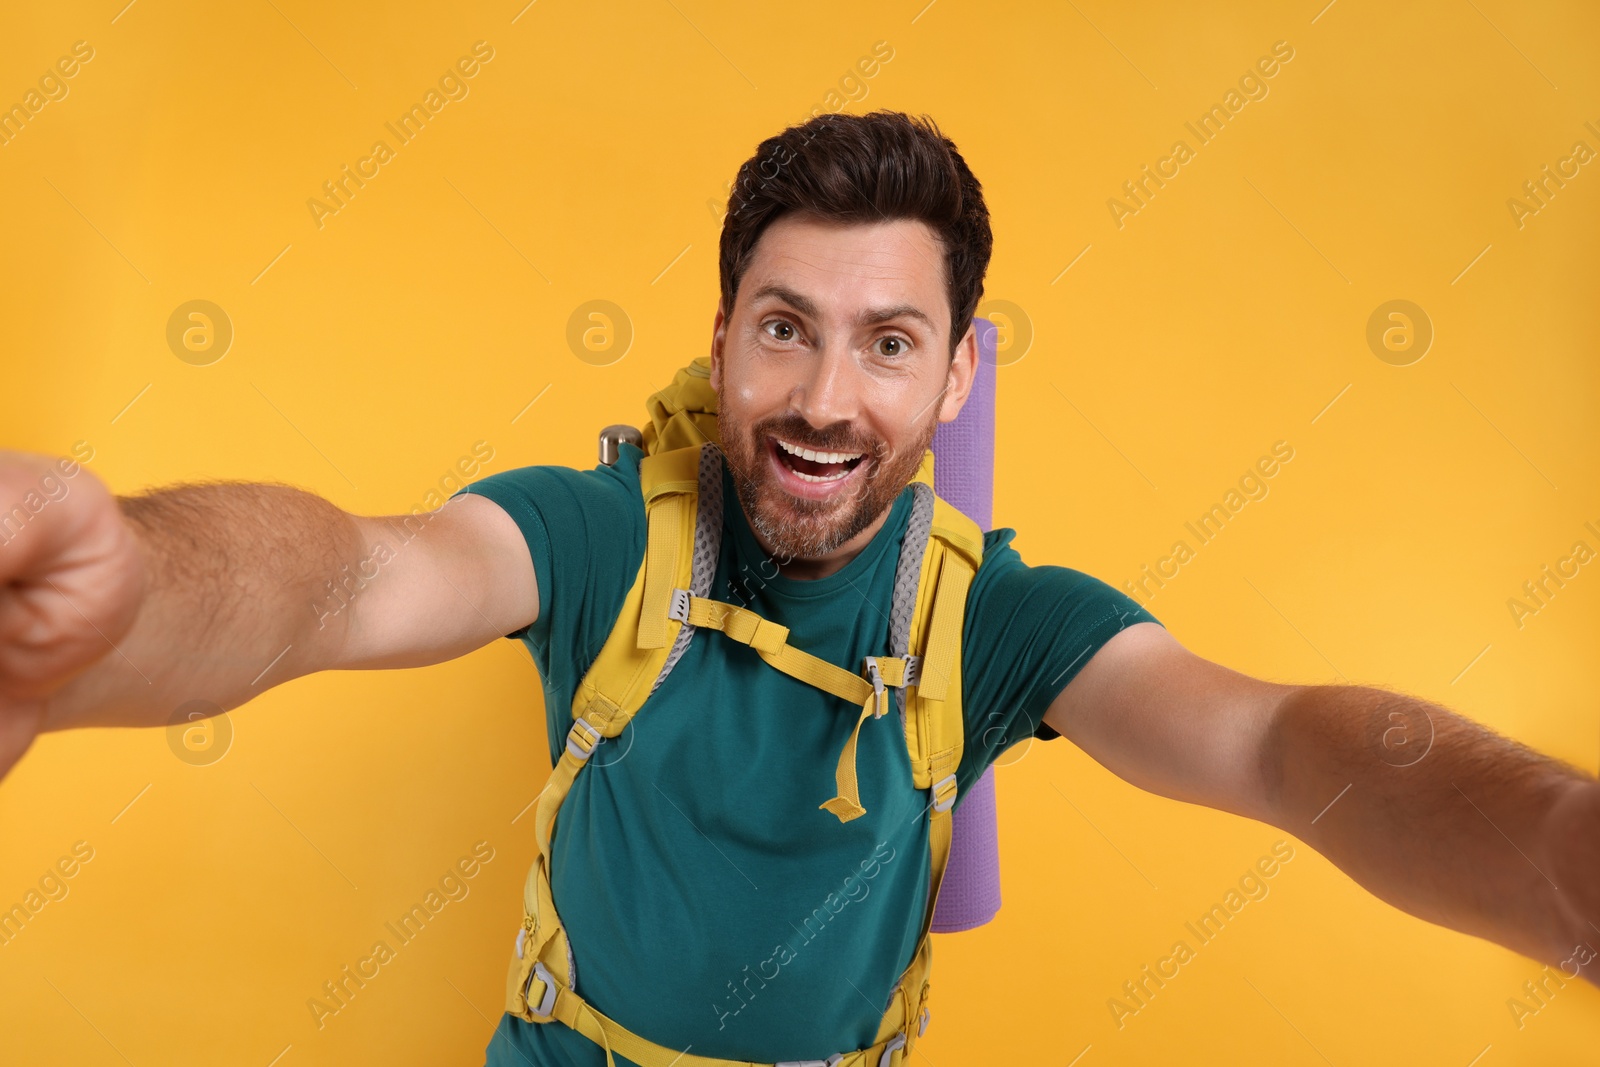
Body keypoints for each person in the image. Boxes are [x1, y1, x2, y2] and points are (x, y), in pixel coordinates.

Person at [1, 110, 1596, 1065]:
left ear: (959, 373)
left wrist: (1555, 855)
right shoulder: (602, 538)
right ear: (722, 337)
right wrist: (118, 595)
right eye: (785, 325)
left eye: (889, 341)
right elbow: (347, 582)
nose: (826, 396)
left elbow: (1275, 746)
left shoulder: (995, 621)